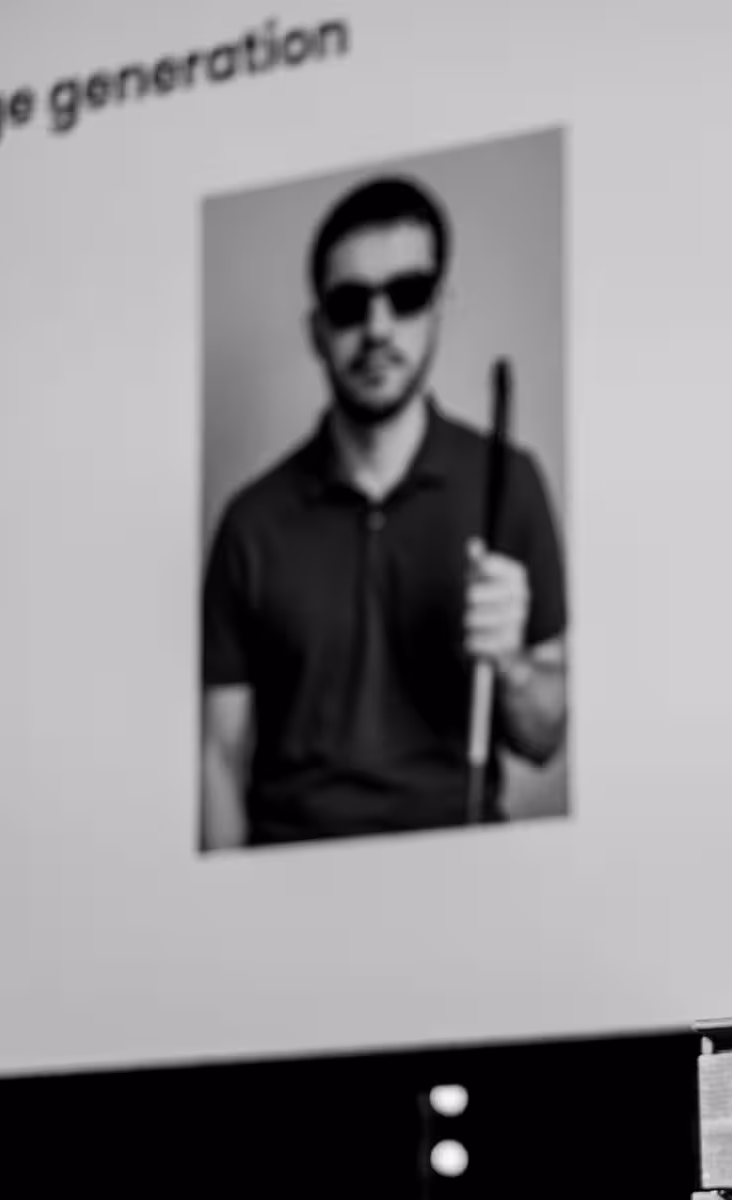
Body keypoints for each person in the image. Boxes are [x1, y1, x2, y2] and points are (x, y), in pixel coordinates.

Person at [200, 175, 568, 849]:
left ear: (440, 305)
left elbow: (545, 741)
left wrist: (512, 663)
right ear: (317, 329)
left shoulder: (507, 481)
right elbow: (220, 757)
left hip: (463, 870)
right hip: (291, 879)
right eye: (348, 304)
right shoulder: (250, 522)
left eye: (406, 295)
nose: (377, 328)